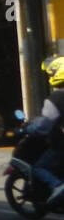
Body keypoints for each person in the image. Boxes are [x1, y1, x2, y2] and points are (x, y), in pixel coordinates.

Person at [31, 57, 64, 206]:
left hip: (61, 146)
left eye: (50, 74)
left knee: (38, 167)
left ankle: (57, 186)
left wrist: (31, 128)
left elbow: (45, 125)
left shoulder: (55, 99)